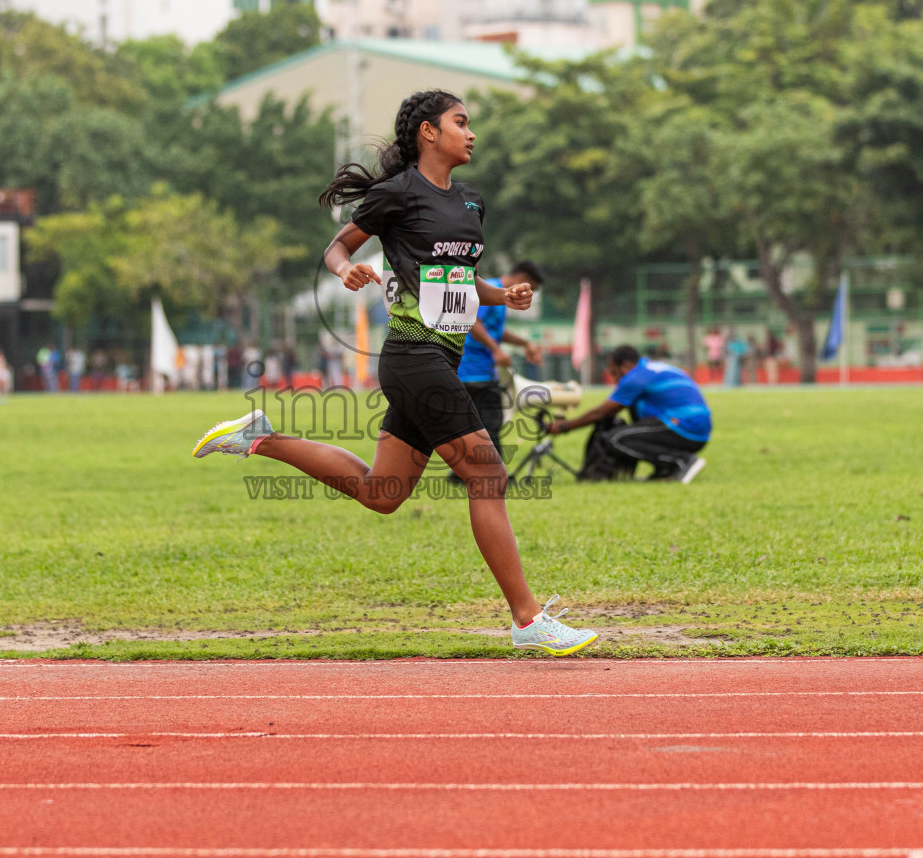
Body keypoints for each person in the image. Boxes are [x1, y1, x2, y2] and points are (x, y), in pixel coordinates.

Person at [191, 88, 597, 656]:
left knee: (382, 493)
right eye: (461, 122)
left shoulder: (472, 202)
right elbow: (339, 246)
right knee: (488, 476)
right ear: (429, 132)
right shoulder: (398, 194)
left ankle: (261, 438)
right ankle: (527, 619)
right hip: (413, 357)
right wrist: (347, 270)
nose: (471, 132)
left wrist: (502, 294)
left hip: (440, 359)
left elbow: (455, 278)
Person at [547, 344, 710, 484]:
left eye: (614, 373)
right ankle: (665, 471)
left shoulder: (636, 377)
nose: (615, 380)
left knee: (616, 438)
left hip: (686, 426)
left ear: (625, 365)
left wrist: (564, 427)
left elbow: (601, 412)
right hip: (695, 428)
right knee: (629, 432)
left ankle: (681, 461)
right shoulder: (650, 368)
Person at [457, 259, 546, 469]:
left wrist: (525, 344)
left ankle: (463, 472)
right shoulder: (492, 290)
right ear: (522, 279)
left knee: (474, 426)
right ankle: (492, 476)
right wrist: (496, 350)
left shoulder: (497, 291)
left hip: (479, 369)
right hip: (474, 369)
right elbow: (473, 321)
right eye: (531, 288)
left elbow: (494, 331)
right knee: (491, 424)